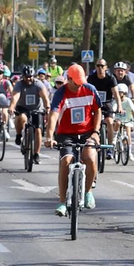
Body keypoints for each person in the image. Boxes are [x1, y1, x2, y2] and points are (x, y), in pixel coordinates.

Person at [44, 64, 102, 215]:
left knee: (90, 157)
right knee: (66, 161)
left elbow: (97, 111)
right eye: (76, 83)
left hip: (88, 132)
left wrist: (96, 132)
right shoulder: (61, 93)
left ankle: (88, 192)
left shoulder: (90, 89)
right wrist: (49, 136)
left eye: (81, 82)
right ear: (68, 79)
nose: (79, 86)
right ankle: (62, 202)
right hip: (66, 134)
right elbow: (53, 116)